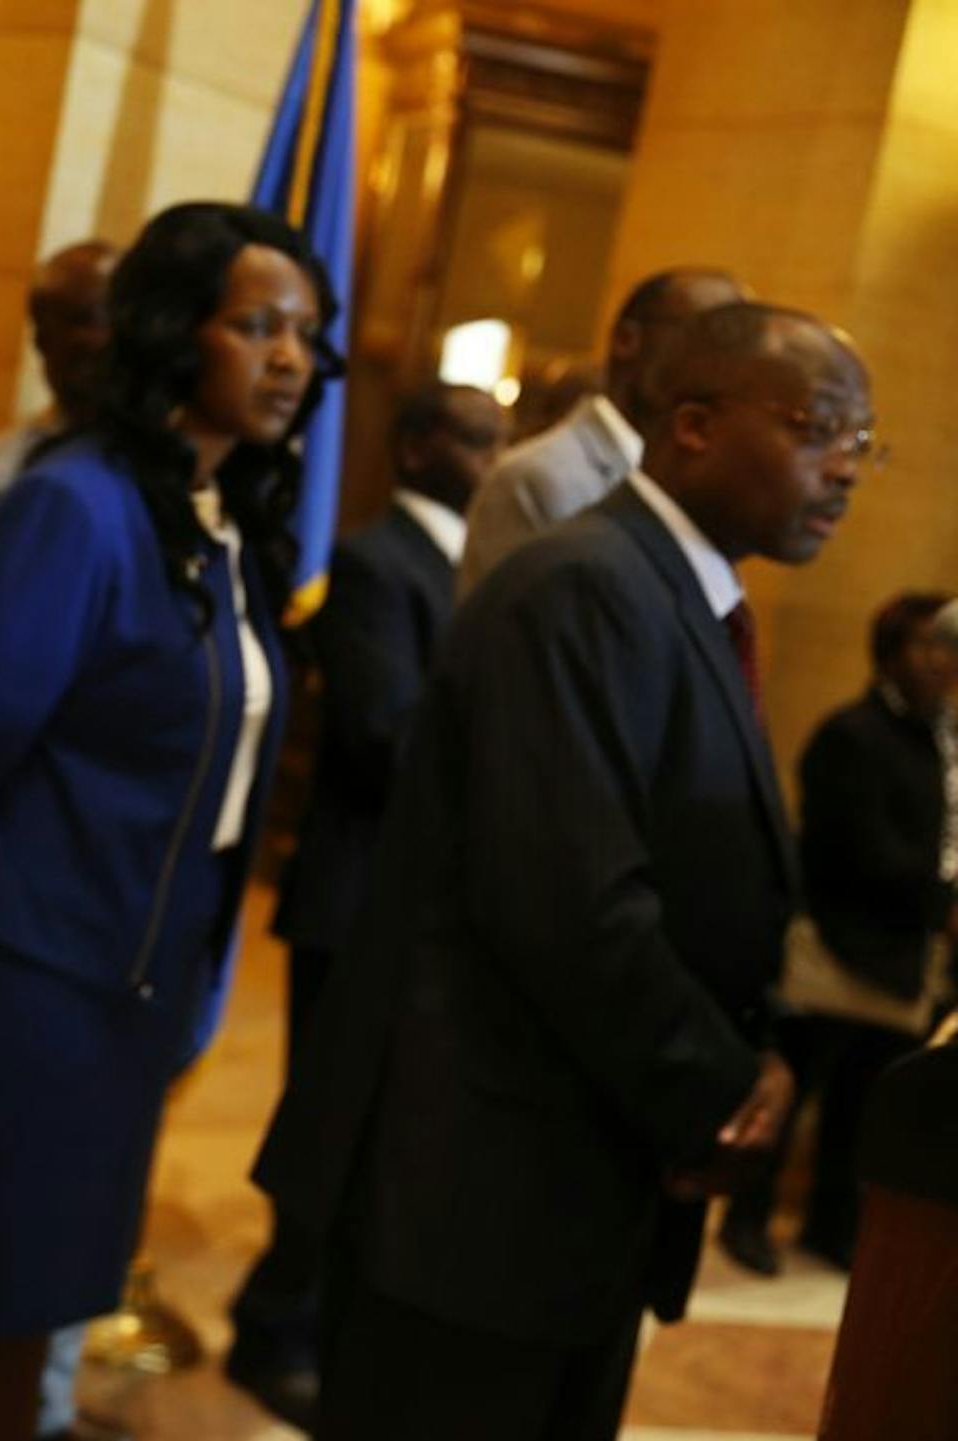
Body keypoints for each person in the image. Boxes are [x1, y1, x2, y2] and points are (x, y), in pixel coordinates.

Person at [259, 301, 875, 1440]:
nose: (844, 467)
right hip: (475, 1198)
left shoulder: (679, 592)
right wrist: (720, 1094)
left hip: (575, 1181)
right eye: (818, 426)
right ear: (693, 425)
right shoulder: (583, 585)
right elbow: (571, 907)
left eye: (862, 442)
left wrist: (762, 1055)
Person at [0, 202, 340, 1441]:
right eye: (257, 326)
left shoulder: (221, 519)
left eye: (307, 333)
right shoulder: (75, 505)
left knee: (37, 1306)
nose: (289, 359)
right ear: (176, 330)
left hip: (131, 989)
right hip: (21, 976)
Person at [224, 382, 503, 1427]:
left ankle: (326, 1320)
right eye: (474, 439)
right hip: (355, 897)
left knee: (382, 1134)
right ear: (416, 445)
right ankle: (273, 1325)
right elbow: (384, 729)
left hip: (420, 907)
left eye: (501, 440)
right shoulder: (375, 562)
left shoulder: (481, 564)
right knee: (331, 1123)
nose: (493, 459)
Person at [718, 591, 958, 1275]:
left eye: (948, 646)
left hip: (905, 956)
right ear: (889, 654)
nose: (942, 660)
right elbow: (855, 848)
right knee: (792, 1091)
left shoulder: (944, 736)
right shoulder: (853, 733)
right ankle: (746, 1219)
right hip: (836, 945)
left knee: (864, 1106)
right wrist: (942, 900)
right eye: (925, 644)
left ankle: (831, 1225)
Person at [458, 267, 743, 598]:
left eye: (737, 348)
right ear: (627, 339)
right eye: (704, 338)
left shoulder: (693, 482)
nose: (723, 365)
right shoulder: (535, 478)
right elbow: (504, 624)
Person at [0, 240, 118, 592]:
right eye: (93, 318)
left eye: (125, 316)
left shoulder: (173, 461)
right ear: (44, 339)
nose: (111, 337)